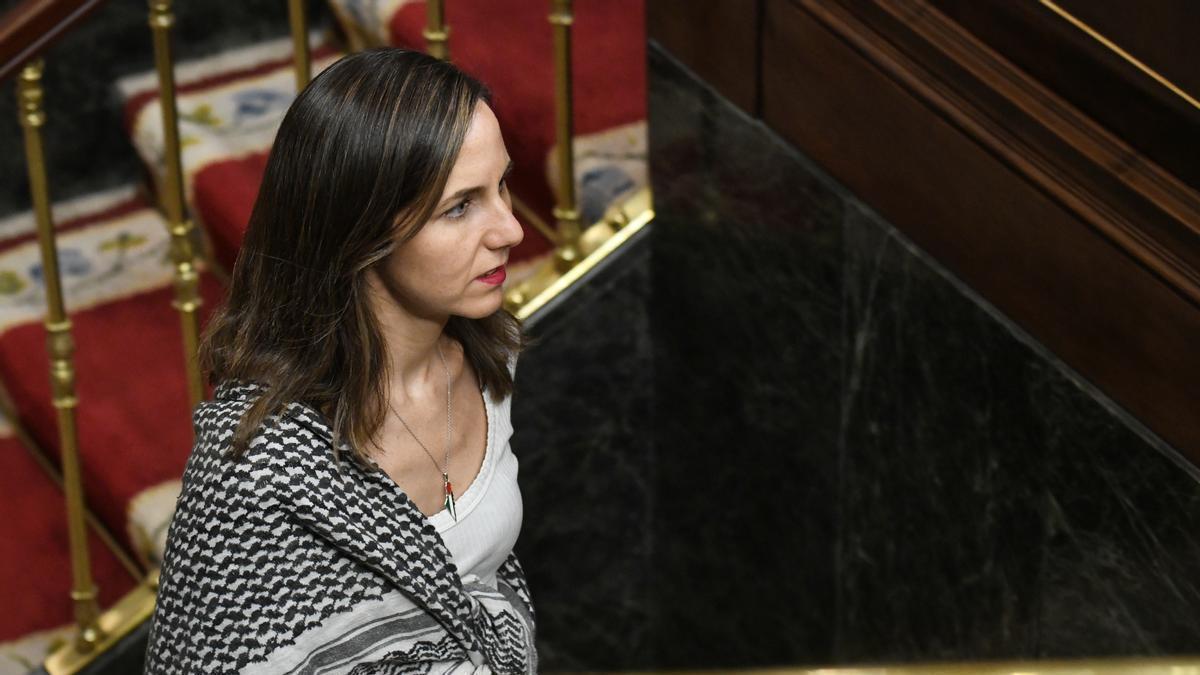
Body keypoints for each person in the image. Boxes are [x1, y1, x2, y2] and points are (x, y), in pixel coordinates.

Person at [144, 48, 536, 674]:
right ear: (361, 231)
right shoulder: (255, 471)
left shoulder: (493, 362)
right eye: (460, 206)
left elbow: (482, 594)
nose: (510, 229)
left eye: (502, 185)